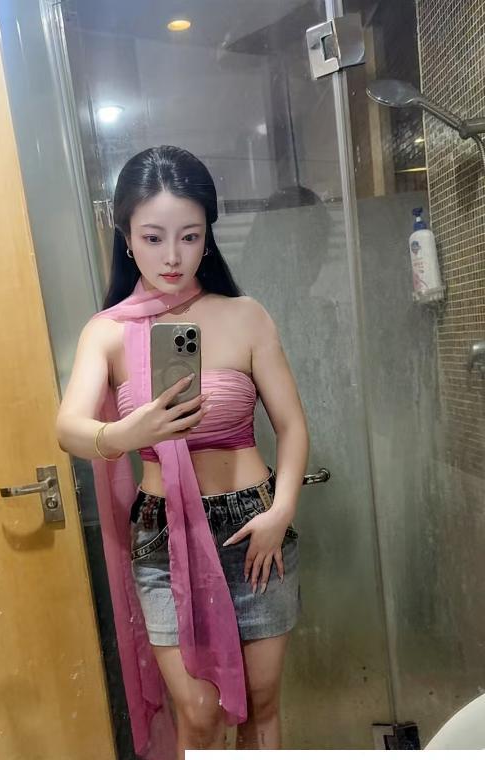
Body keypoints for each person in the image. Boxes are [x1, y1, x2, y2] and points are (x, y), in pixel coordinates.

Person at [56, 145, 309, 759]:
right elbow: (68, 427)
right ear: (125, 236)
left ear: (207, 238)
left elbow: (293, 427)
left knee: (262, 702)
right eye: (153, 237)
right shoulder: (107, 331)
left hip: (255, 527)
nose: (172, 256)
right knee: (199, 712)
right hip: (162, 532)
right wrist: (126, 434)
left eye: (190, 237)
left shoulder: (246, 317)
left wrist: (280, 513)